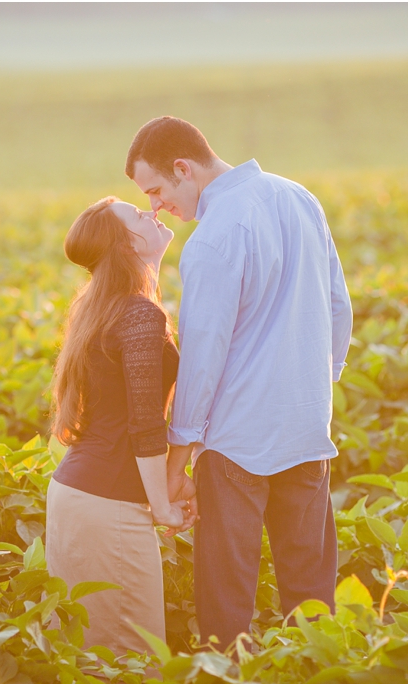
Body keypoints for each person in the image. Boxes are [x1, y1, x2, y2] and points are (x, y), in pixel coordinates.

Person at [125, 116, 354, 649]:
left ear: (183, 168)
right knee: (314, 600)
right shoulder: (300, 198)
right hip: (306, 428)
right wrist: (315, 382)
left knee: (226, 607)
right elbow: (340, 309)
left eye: (157, 191)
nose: (157, 207)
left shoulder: (212, 240)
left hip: (235, 445)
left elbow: (203, 360)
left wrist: (178, 459)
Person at [46, 196, 196, 655]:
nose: (150, 213)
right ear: (128, 243)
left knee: (93, 655)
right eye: (137, 214)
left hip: (79, 496)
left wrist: (177, 486)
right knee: (133, 659)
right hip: (108, 506)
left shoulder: (107, 306)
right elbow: (145, 425)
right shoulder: (137, 314)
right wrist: (163, 506)